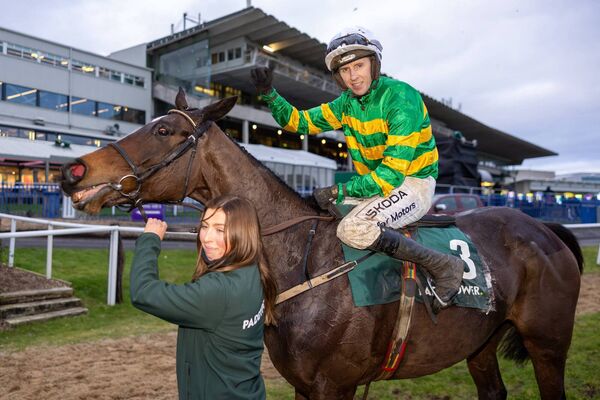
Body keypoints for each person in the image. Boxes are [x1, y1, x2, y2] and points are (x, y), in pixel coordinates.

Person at [250, 26, 464, 311]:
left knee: (354, 228)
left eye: (359, 66)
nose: (353, 77)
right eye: (346, 70)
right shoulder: (345, 105)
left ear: (373, 65)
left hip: (413, 182)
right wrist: (269, 94)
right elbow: (299, 122)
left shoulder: (402, 98)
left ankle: (444, 265)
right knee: (324, 215)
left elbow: (391, 175)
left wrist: (341, 189)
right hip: (376, 185)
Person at [130, 195, 277, 400]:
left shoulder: (217, 291)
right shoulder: (253, 270)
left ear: (242, 234)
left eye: (219, 230)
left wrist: (150, 240)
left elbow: (143, 292)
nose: (206, 237)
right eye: (205, 226)